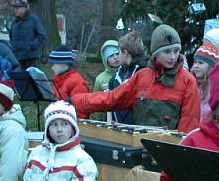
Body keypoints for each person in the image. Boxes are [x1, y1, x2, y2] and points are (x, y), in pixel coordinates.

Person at [72, 24, 200, 133]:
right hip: (139, 149)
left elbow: (189, 125)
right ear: (155, 53)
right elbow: (112, 99)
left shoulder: (188, 81)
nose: (173, 57)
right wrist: (75, 101)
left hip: (168, 153)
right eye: (167, 52)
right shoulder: (142, 76)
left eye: (176, 51)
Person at [109, 31, 147, 124]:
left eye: (118, 53)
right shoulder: (118, 74)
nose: (117, 56)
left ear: (125, 53)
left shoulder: (144, 73)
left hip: (136, 131)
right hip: (118, 129)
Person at [48, 45, 89, 119]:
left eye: (54, 64)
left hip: (73, 124)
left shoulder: (77, 82)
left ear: (63, 64)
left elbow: (81, 112)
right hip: (60, 120)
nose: (52, 67)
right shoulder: (58, 80)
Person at [9, 0, 47, 69]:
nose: (15, 10)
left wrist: (31, 45)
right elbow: (11, 37)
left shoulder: (34, 20)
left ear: (25, 8)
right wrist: (13, 47)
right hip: (17, 57)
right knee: (20, 78)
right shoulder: (14, 22)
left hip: (31, 57)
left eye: (17, 8)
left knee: (32, 78)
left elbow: (42, 36)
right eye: (14, 8)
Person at [191, 39, 219, 121]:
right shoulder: (192, 82)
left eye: (200, 63)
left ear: (211, 67)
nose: (196, 66)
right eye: (195, 62)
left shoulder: (214, 87)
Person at [90, 39, 120, 121]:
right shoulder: (100, 79)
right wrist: (96, 122)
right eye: (111, 55)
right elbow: (96, 103)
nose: (115, 57)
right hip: (107, 121)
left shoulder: (128, 73)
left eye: (117, 53)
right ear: (105, 59)